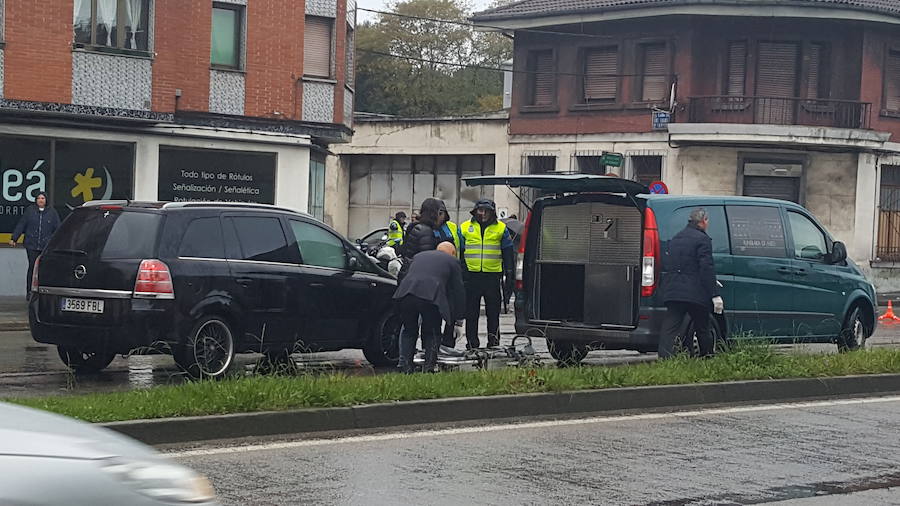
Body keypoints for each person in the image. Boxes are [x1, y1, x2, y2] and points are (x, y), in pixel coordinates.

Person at [658, 207, 723, 359]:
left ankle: (665, 359)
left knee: (670, 327)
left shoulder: (676, 238)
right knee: (703, 326)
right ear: (703, 221)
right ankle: (707, 357)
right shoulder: (703, 239)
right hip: (695, 293)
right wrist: (714, 294)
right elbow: (706, 268)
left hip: (674, 290)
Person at [393, 242, 466, 373]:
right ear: (453, 253)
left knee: (409, 330)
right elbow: (458, 291)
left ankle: (405, 367)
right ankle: (429, 368)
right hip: (430, 296)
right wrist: (459, 320)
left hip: (405, 294)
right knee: (432, 332)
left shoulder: (419, 256)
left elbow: (405, 274)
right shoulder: (452, 261)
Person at [460, 199, 515, 349]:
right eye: (480, 210)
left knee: (493, 313)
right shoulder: (465, 227)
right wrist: (462, 271)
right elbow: (460, 252)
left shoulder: (501, 229)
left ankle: (493, 342)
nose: (483, 214)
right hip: (472, 276)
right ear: (475, 211)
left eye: (486, 211)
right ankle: (472, 343)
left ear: (492, 212)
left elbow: (508, 253)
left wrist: (509, 273)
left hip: (492, 276)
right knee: (471, 313)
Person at [9, 192, 60, 296]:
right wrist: (14, 238)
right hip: (31, 245)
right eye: (39, 198)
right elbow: (21, 224)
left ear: (46, 200)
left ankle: (42, 292)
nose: (41, 200)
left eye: (43, 198)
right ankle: (30, 292)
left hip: (45, 246)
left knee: (44, 269)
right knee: (32, 268)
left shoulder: (52, 212)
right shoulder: (30, 211)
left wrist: (58, 243)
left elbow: (58, 229)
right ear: (36, 200)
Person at [434, 201, 463, 349]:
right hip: (436, 274)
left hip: (452, 271)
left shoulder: (453, 227)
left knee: (451, 309)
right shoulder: (429, 229)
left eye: (442, 212)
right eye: (438, 212)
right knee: (435, 311)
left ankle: (448, 341)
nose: (440, 216)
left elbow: (461, 247)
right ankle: (435, 343)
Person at [397, 198, 441, 281]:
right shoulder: (426, 231)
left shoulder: (419, 227)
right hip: (418, 278)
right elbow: (426, 260)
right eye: (439, 212)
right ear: (434, 213)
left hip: (409, 274)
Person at [500, 214, 524, 313]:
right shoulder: (510, 236)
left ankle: (507, 303)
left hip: (512, 265)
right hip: (511, 265)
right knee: (510, 286)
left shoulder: (516, 237)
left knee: (510, 286)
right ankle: (507, 303)